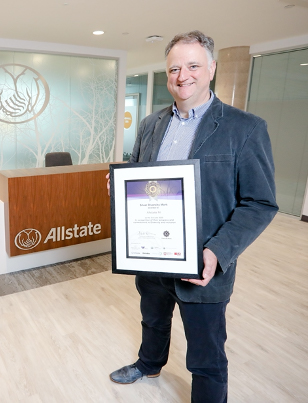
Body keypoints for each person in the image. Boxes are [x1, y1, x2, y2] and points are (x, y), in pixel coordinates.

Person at [107, 31, 278, 402]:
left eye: (193, 66)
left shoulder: (245, 128)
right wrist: (120, 183)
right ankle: (149, 363)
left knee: (206, 352)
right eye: (174, 68)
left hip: (202, 267)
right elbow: (139, 169)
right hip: (151, 257)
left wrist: (217, 252)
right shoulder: (152, 123)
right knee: (153, 319)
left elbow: (260, 203)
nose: (183, 75)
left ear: (212, 69)